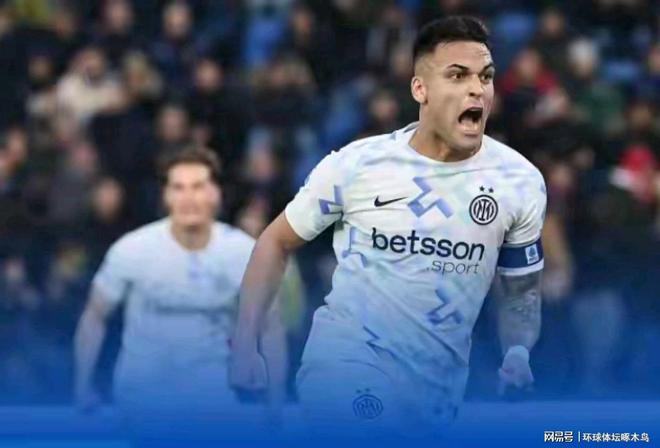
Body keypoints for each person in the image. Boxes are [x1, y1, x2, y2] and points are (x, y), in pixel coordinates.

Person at [230, 16, 546, 437]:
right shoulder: (358, 164)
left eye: (485, 77)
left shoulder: (519, 182)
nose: (477, 89)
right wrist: (245, 343)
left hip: (437, 392)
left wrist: (519, 351)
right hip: (344, 361)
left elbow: (521, 292)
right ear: (420, 89)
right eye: (458, 76)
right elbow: (275, 241)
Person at [73, 148, 286, 438]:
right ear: (166, 195)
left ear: (215, 194)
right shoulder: (133, 249)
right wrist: (82, 387)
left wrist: (275, 403)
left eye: (198, 187)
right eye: (178, 187)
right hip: (141, 398)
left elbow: (270, 327)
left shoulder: (242, 252)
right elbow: (94, 316)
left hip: (212, 398)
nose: (188, 198)